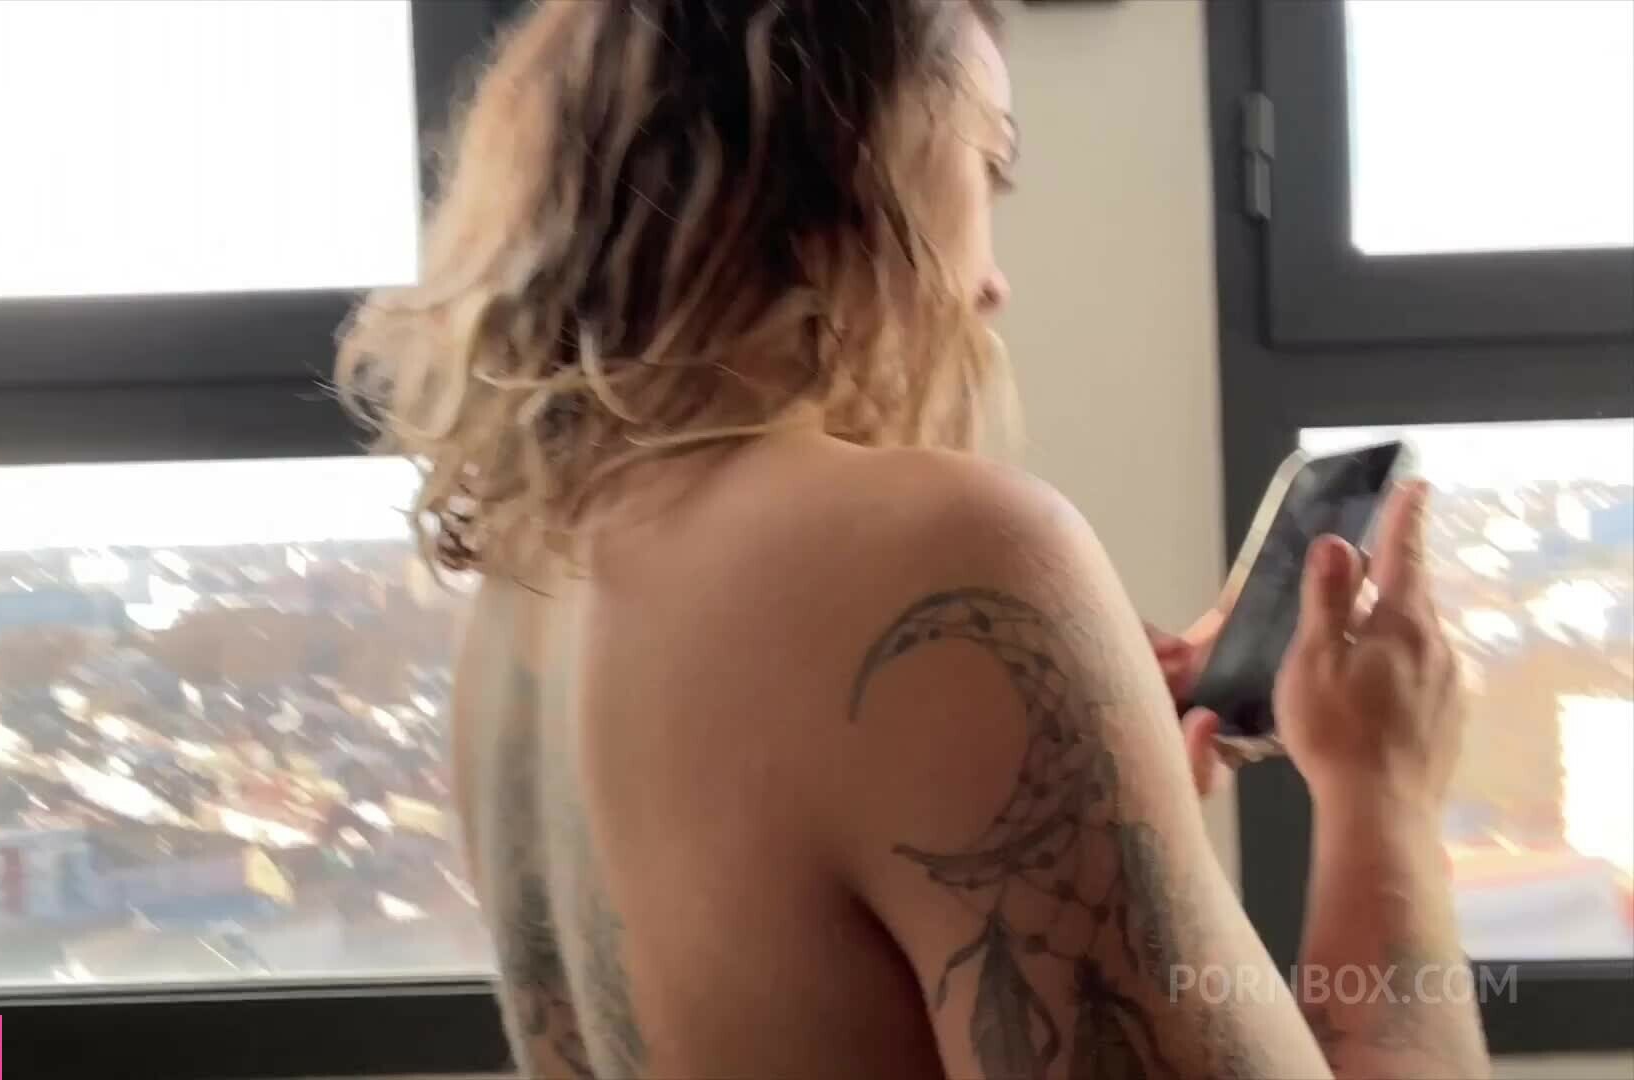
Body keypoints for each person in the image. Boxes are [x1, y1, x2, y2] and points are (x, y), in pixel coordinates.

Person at [338, 2, 1490, 1077]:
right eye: (990, 166)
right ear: (856, 157)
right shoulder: (942, 553)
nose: (992, 285)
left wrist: (1079, 819)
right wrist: (1379, 794)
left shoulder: (525, 599)